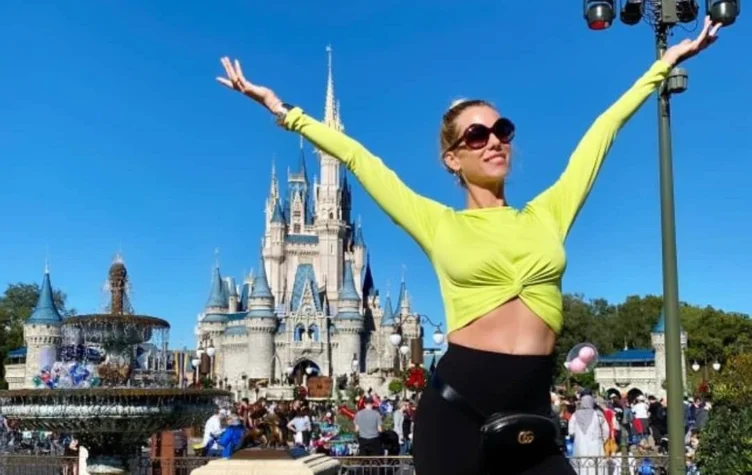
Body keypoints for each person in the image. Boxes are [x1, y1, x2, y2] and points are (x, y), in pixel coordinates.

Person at [215, 17, 721, 475]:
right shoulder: (438, 224)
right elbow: (362, 162)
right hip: (456, 415)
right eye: (476, 135)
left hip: (533, 418)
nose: (494, 140)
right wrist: (284, 112)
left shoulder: (548, 213)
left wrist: (662, 66)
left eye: (502, 130)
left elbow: (601, 133)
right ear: (452, 158)